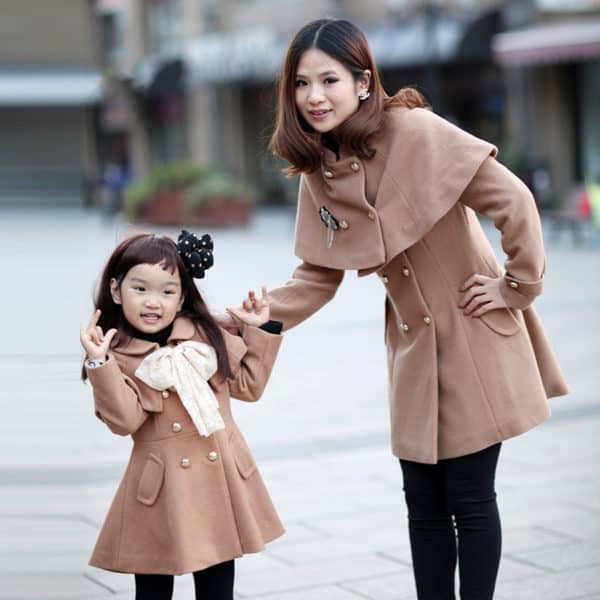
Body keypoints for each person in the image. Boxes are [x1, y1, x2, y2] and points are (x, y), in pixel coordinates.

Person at [239, 18, 569, 600]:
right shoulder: (319, 170)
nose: (313, 96)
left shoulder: (416, 130)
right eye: (301, 83)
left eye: (329, 80)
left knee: (468, 498)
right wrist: (251, 320)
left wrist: (518, 288)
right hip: (412, 350)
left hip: (476, 337)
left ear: (363, 82)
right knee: (421, 501)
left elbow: (514, 200)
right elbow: (317, 276)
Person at [80, 230, 284, 600]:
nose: (153, 302)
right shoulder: (117, 355)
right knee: (155, 589)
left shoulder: (207, 336)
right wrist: (100, 362)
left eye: (167, 291)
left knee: (217, 588)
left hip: (218, 480)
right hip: (161, 492)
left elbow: (249, 386)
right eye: (140, 288)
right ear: (115, 290)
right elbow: (125, 421)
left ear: (183, 297)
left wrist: (259, 329)